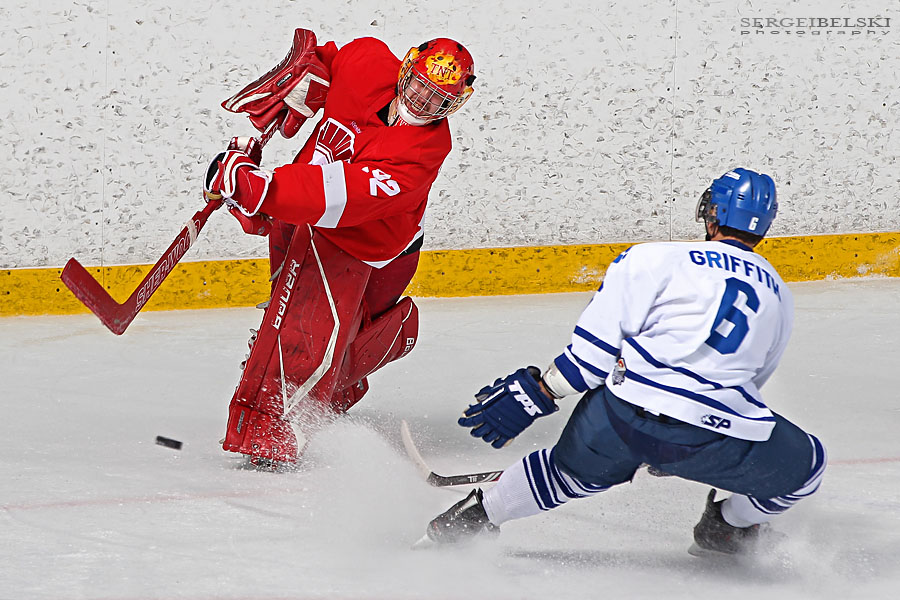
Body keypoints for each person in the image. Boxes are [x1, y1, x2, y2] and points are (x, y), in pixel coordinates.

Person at [421, 168, 827, 555]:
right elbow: (752, 379)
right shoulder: (778, 293)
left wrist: (540, 392)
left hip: (622, 415)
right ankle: (726, 528)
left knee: (566, 473)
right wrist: (679, 444)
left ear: (713, 213)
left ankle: (473, 519)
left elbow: (591, 357)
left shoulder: (655, 258)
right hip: (713, 430)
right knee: (809, 466)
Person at [203, 29, 476, 468]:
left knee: (306, 336)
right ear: (404, 70)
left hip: (366, 250)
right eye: (420, 89)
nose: (423, 105)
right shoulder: (368, 64)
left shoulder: (422, 153)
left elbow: (338, 194)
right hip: (302, 215)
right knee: (292, 319)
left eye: (438, 102)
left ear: (454, 106)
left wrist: (259, 187)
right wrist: (307, 78)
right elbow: (329, 58)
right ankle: (320, 390)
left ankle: (274, 433)